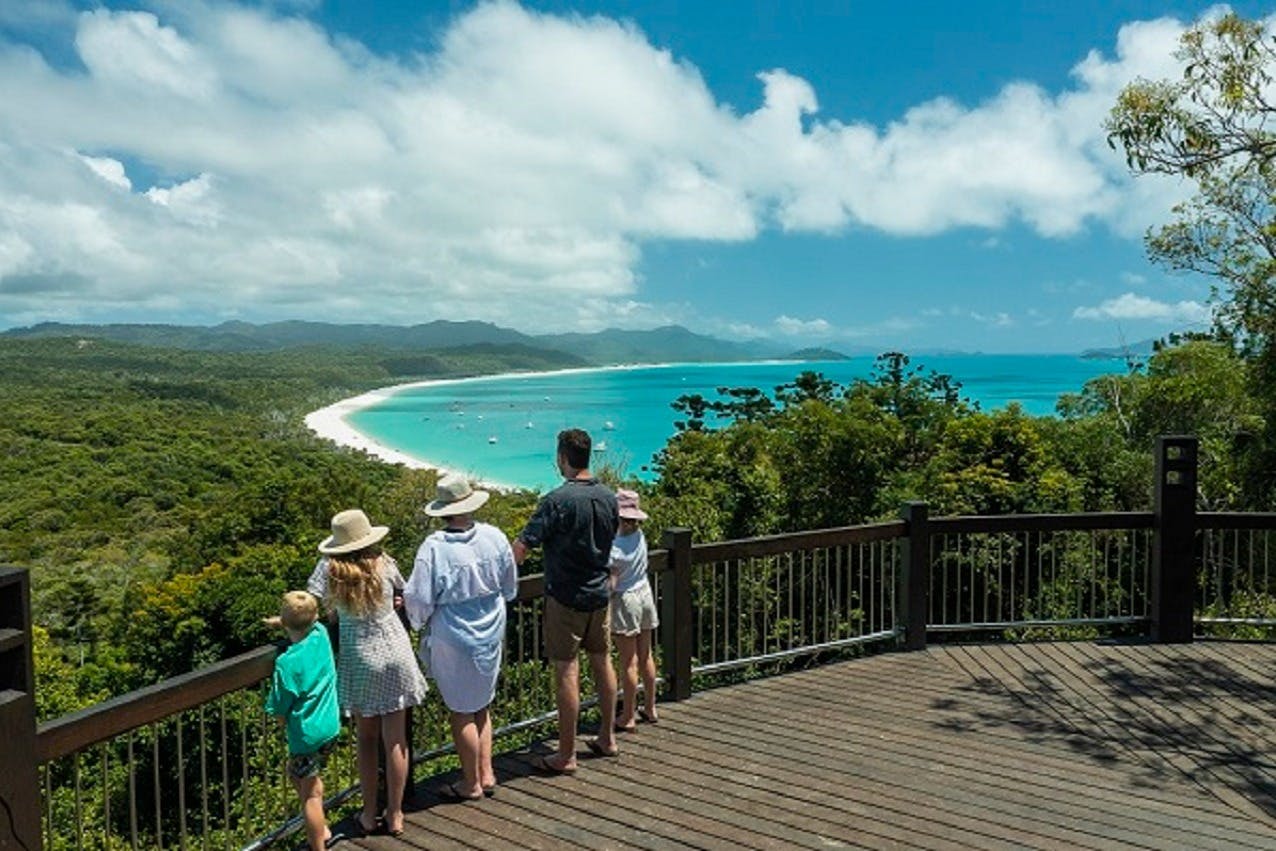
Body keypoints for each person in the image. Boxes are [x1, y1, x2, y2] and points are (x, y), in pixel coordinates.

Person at [307, 509, 427, 838]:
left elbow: (314, 605)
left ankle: (370, 813)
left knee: (367, 739)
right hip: (396, 651)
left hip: (360, 656)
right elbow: (403, 593)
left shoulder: (330, 569)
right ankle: (397, 813)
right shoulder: (384, 562)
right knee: (396, 740)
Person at [403, 473, 518, 801]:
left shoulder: (434, 548)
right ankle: (487, 772)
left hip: (454, 637)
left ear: (442, 510)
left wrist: (410, 612)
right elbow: (510, 585)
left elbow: (421, 600)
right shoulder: (494, 537)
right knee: (482, 704)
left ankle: (470, 782)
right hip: (491, 628)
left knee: (460, 710)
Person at [512, 428, 620, 773]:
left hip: (565, 597)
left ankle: (566, 754)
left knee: (566, 670)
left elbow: (522, 547)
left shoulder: (557, 500)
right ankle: (607, 736)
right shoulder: (608, 497)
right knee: (603, 662)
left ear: (562, 458)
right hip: (600, 594)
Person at [263, 591, 341, 851]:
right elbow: (308, 620)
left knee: (310, 796)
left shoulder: (286, 662)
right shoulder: (321, 635)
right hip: (330, 726)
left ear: (285, 623)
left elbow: (279, 706)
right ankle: (323, 827)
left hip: (305, 736)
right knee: (303, 778)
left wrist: (280, 721)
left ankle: (318, 844)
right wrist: (286, 621)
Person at [608, 489, 660, 731]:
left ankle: (627, 714)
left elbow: (613, 583)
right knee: (646, 655)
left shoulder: (615, 547)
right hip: (645, 594)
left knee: (628, 661)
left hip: (626, 599)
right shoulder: (639, 535)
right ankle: (650, 706)